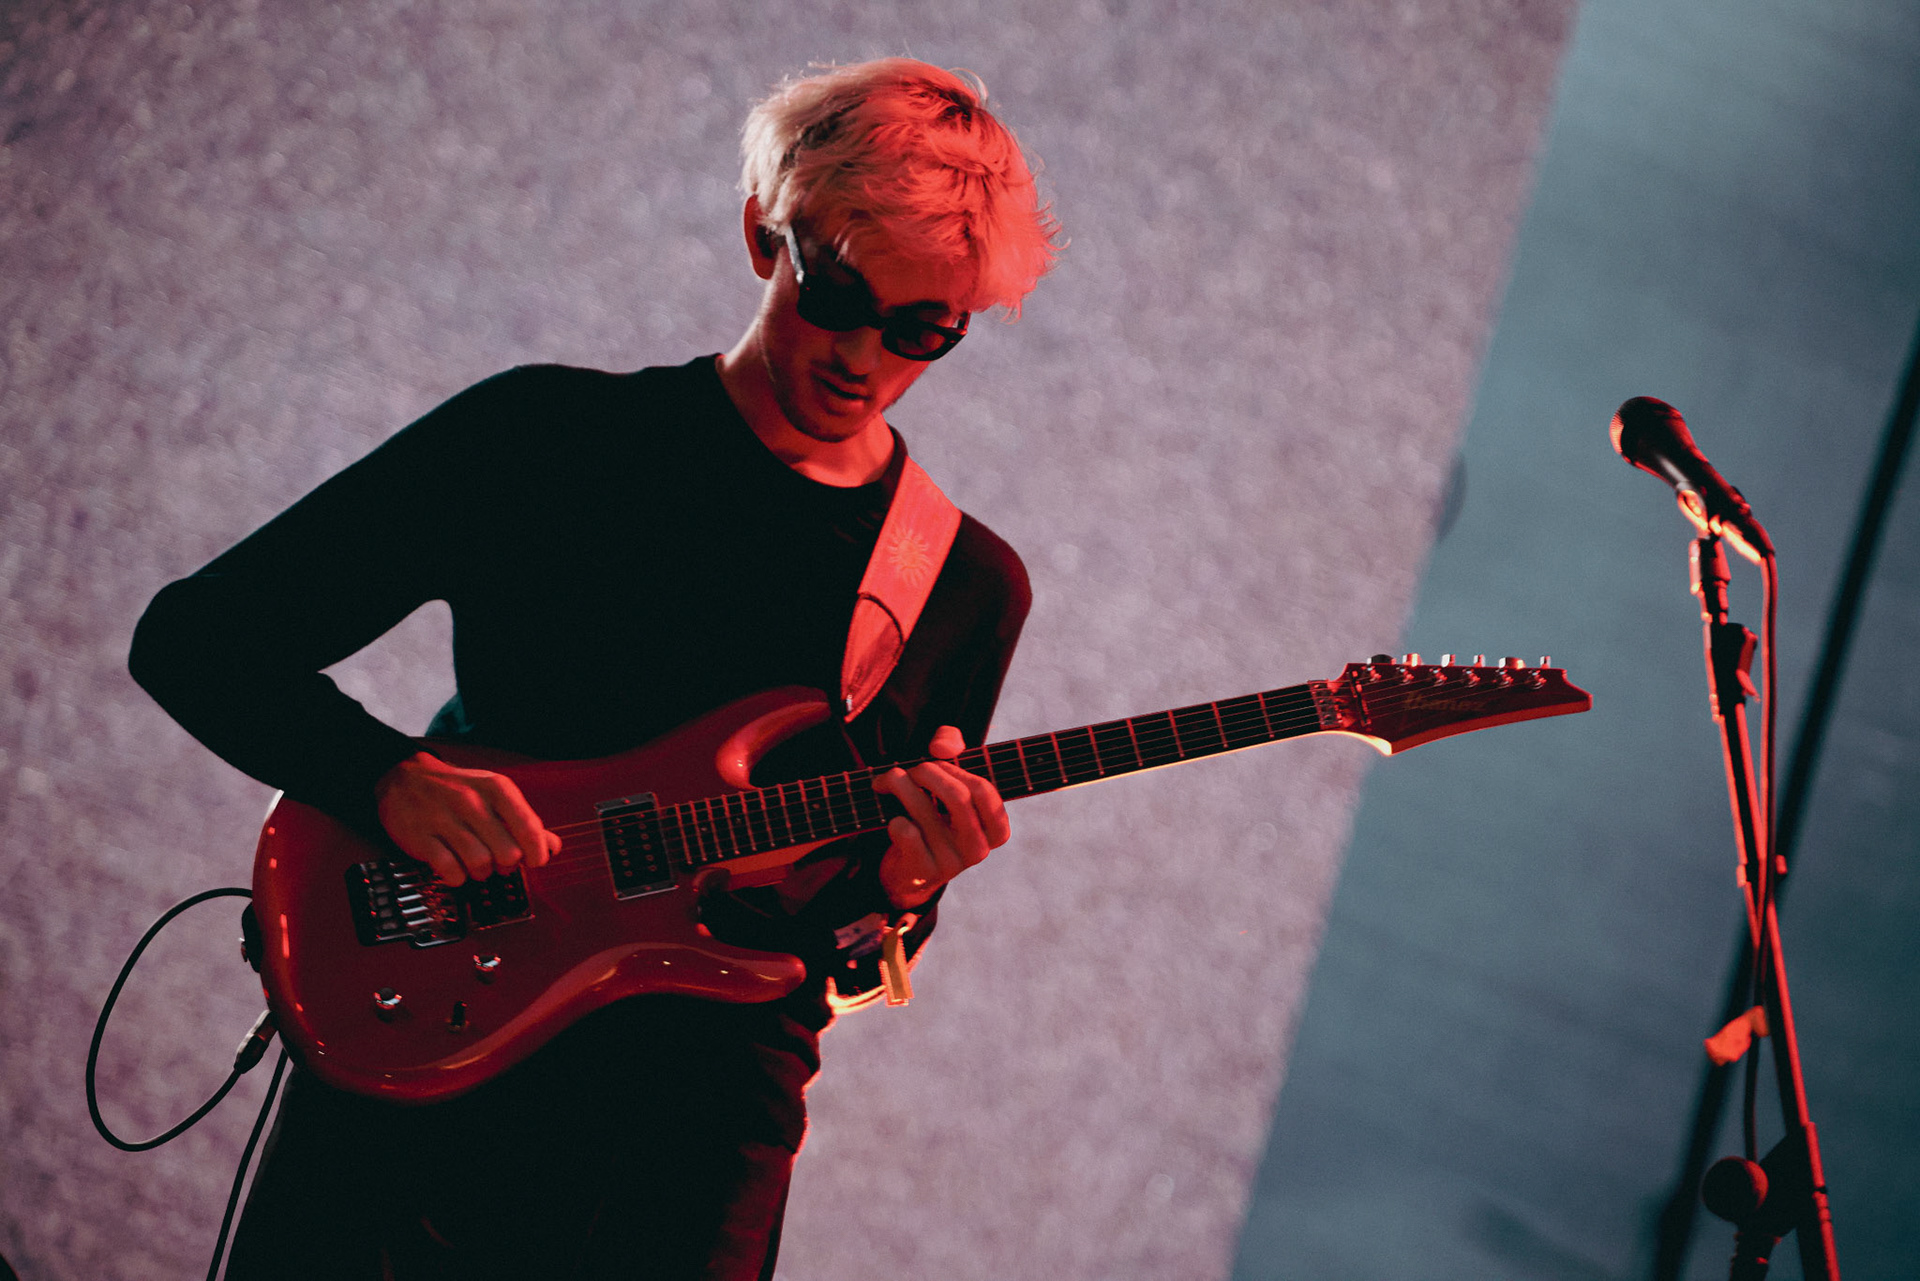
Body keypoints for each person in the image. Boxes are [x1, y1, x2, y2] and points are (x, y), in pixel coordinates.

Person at [129, 58, 1060, 1280]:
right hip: (432, 1048)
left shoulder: (962, 584)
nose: (863, 357)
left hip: (691, 1144)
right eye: (837, 293)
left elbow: (846, 947)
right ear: (762, 234)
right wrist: (381, 774)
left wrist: (903, 886)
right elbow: (200, 638)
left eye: (920, 331)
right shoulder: (547, 438)